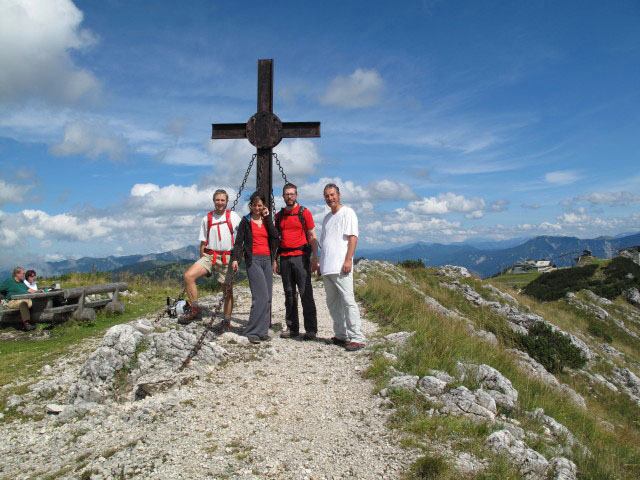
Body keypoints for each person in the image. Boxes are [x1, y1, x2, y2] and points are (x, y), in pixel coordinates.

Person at [181, 189, 241, 325]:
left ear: (226, 202)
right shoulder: (207, 218)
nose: (219, 203)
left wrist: (238, 255)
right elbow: (203, 242)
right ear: (214, 201)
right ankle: (195, 310)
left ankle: (226, 320)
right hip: (209, 255)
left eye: (222, 200)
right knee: (188, 276)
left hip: (226, 257)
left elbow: (243, 234)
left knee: (227, 291)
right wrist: (202, 259)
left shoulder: (233, 216)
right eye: (217, 200)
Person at [319, 183, 365, 351]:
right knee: (332, 303)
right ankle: (341, 335)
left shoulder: (348, 213)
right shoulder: (326, 218)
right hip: (328, 266)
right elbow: (324, 242)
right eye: (327, 196)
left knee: (348, 301)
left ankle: (357, 337)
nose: (330, 198)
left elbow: (353, 238)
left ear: (339, 195)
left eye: (332, 195)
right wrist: (320, 263)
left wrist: (348, 260)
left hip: (341, 266)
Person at [231, 192, 280, 343]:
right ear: (250, 206)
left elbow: (275, 236)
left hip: (267, 259)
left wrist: (268, 218)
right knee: (260, 297)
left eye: (260, 205)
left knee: (268, 298)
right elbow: (239, 242)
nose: (257, 208)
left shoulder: (266, 220)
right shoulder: (246, 221)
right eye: (254, 205)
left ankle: (262, 330)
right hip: (253, 260)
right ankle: (252, 331)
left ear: (264, 206)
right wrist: (235, 259)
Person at [274, 183, 319, 340]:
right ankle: (292, 328)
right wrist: (275, 260)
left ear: (296, 195)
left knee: (306, 292)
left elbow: (313, 235)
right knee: (289, 293)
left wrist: (315, 257)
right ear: (283, 196)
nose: (289, 197)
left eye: (292, 194)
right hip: (285, 258)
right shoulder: (278, 216)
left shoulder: (304, 213)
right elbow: (276, 241)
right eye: (287, 194)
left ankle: (311, 329)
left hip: (301, 257)